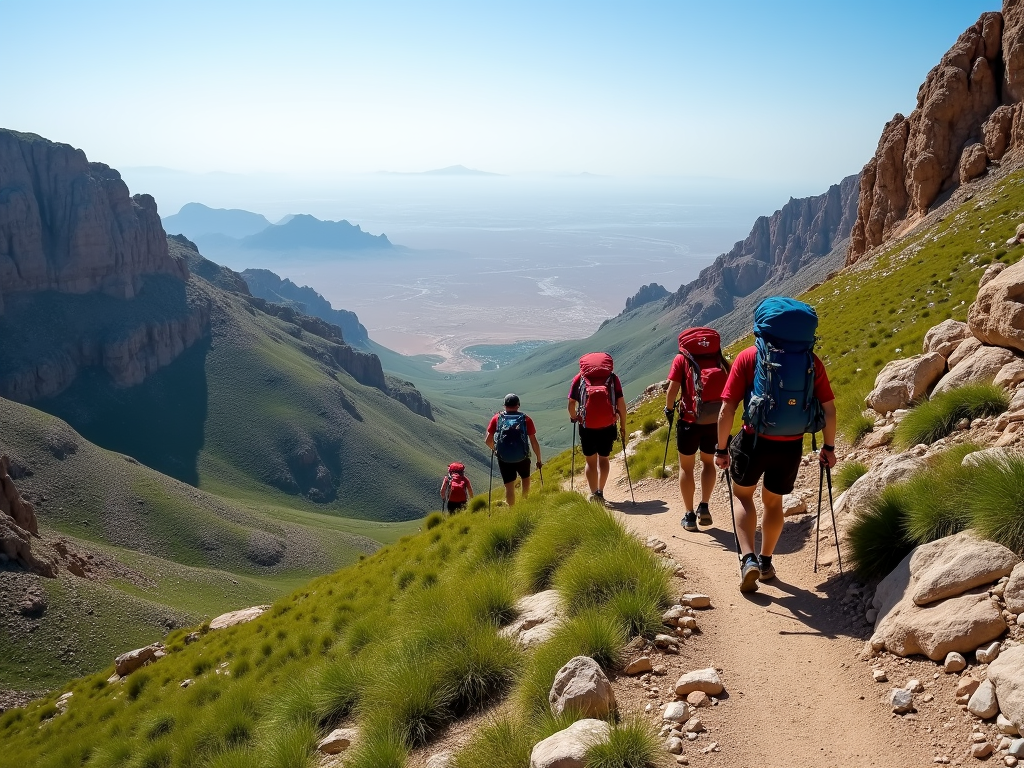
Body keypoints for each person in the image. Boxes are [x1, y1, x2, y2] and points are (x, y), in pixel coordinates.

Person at [715, 299, 837, 592]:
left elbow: (726, 410)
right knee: (773, 502)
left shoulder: (748, 357)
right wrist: (829, 448)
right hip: (791, 444)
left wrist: (721, 450)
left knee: (743, 497)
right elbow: (829, 409)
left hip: (753, 441)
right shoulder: (811, 362)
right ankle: (767, 561)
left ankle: (748, 559)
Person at [664, 327, 730, 532]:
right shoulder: (718, 358)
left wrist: (668, 409)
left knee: (686, 468)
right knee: (708, 463)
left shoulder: (682, 359)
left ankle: (689, 515)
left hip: (689, 422)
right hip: (714, 421)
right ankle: (705, 506)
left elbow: (672, 389)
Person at [567, 353, 627, 505]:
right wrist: (623, 426)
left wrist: (575, 417)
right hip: (608, 425)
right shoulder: (613, 378)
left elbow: (571, 404)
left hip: (587, 426)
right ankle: (601, 491)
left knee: (590, 461)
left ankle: (593, 493)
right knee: (604, 459)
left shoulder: (579, 378)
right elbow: (621, 405)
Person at [485, 394, 542, 507]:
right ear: (518, 405)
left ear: (505, 405)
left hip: (504, 459)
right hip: (523, 456)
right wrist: (539, 459)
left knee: (509, 487)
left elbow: (488, 440)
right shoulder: (526, 419)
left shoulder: (497, 418)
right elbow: (534, 442)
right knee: (526, 479)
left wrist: (496, 450)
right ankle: (525, 504)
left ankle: (512, 510)